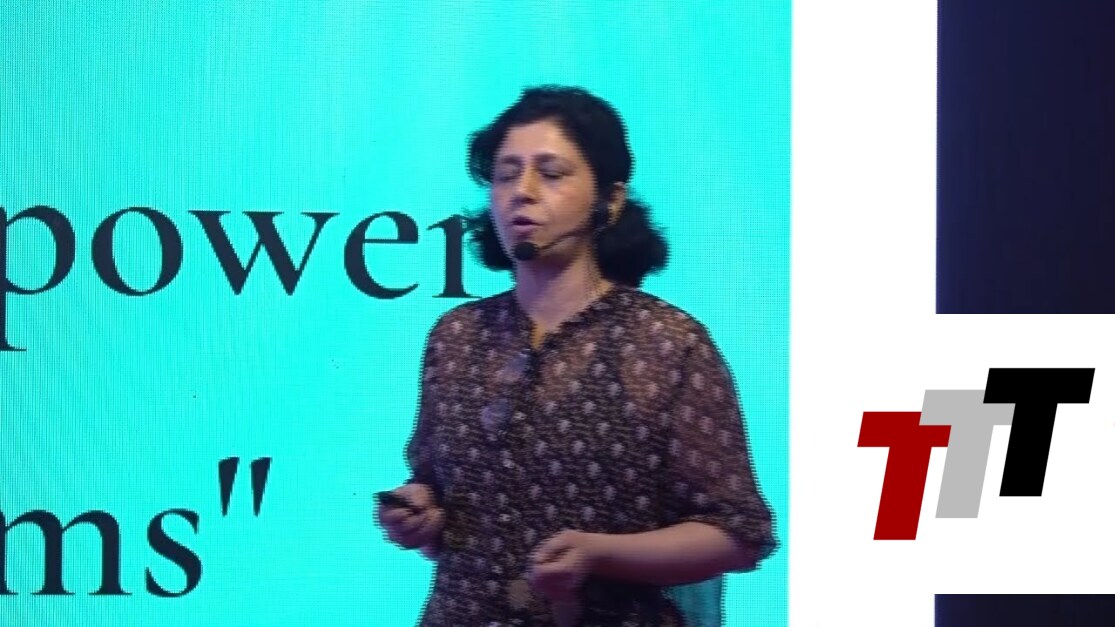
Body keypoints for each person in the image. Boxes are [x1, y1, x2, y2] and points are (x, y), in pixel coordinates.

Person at [376, 85, 776, 626]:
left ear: (609, 200)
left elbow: (739, 534)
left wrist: (601, 553)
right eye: (506, 175)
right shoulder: (457, 335)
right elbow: (438, 493)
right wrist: (418, 513)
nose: (522, 192)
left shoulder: (666, 343)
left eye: (551, 173)